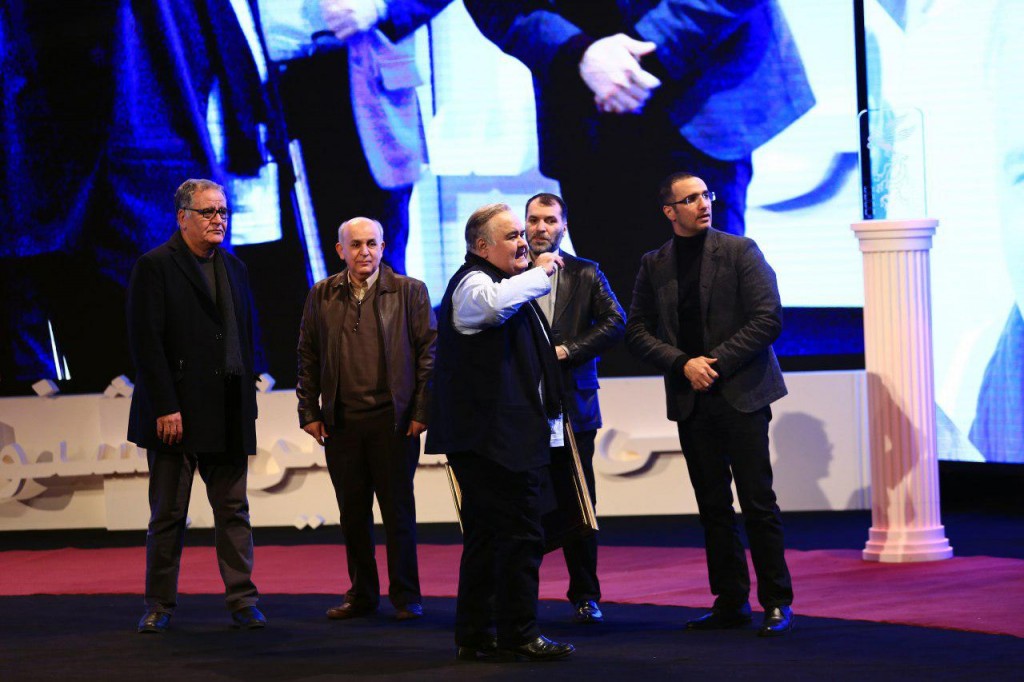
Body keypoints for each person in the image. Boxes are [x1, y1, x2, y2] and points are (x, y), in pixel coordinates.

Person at [462, 1, 814, 374]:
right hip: (585, 111)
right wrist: (577, 53)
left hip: (702, 87)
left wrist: (638, 54)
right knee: (618, 319)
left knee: (715, 321)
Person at [625, 172, 794, 636]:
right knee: (713, 506)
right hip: (692, 400)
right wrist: (683, 364)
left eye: (706, 195)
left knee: (758, 502)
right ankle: (731, 601)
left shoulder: (741, 251)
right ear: (669, 211)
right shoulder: (654, 263)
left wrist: (712, 364)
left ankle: (777, 601)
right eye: (691, 199)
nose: (703, 204)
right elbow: (636, 330)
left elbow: (768, 319)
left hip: (742, 394)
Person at [425, 203, 575, 661]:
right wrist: (542, 271)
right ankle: (518, 633)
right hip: (491, 441)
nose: (523, 242)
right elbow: (490, 308)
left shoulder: (504, 283)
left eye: (520, 235)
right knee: (520, 536)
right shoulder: (473, 283)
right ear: (481, 246)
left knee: (489, 538)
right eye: (512, 236)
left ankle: (477, 633)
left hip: (505, 438)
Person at [127, 179, 265, 633]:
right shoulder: (154, 266)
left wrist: (247, 402)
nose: (218, 219)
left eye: (223, 211)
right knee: (168, 514)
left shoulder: (235, 267)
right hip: (176, 415)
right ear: (182, 217)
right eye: (208, 212)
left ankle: (243, 600)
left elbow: (245, 335)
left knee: (234, 510)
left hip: (227, 411)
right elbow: (146, 344)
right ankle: (159, 605)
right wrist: (165, 406)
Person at [296, 216, 436, 620]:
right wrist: (309, 410)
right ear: (340, 250)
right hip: (341, 423)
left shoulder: (410, 291)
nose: (365, 252)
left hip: (394, 422)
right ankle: (361, 595)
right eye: (356, 244)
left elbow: (429, 355)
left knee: (398, 513)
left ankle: (406, 596)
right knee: (352, 515)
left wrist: (421, 411)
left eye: (372, 243)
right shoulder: (321, 294)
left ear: (383, 247)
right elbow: (307, 355)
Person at [272, 0, 453, 275]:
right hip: (264, 85)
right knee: (279, 268)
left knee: (374, 267)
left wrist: (380, 7)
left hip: (363, 85)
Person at [524, 192, 625, 623]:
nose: (540, 228)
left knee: (580, 503)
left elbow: (616, 321)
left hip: (573, 404)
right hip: (523, 406)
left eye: (549, 220)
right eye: (533, 220)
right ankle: (521, 599)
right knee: (526, 503)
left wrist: (568, 351)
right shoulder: (508, 274)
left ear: (564, 226)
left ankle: (585, 595)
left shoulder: (586, 272)